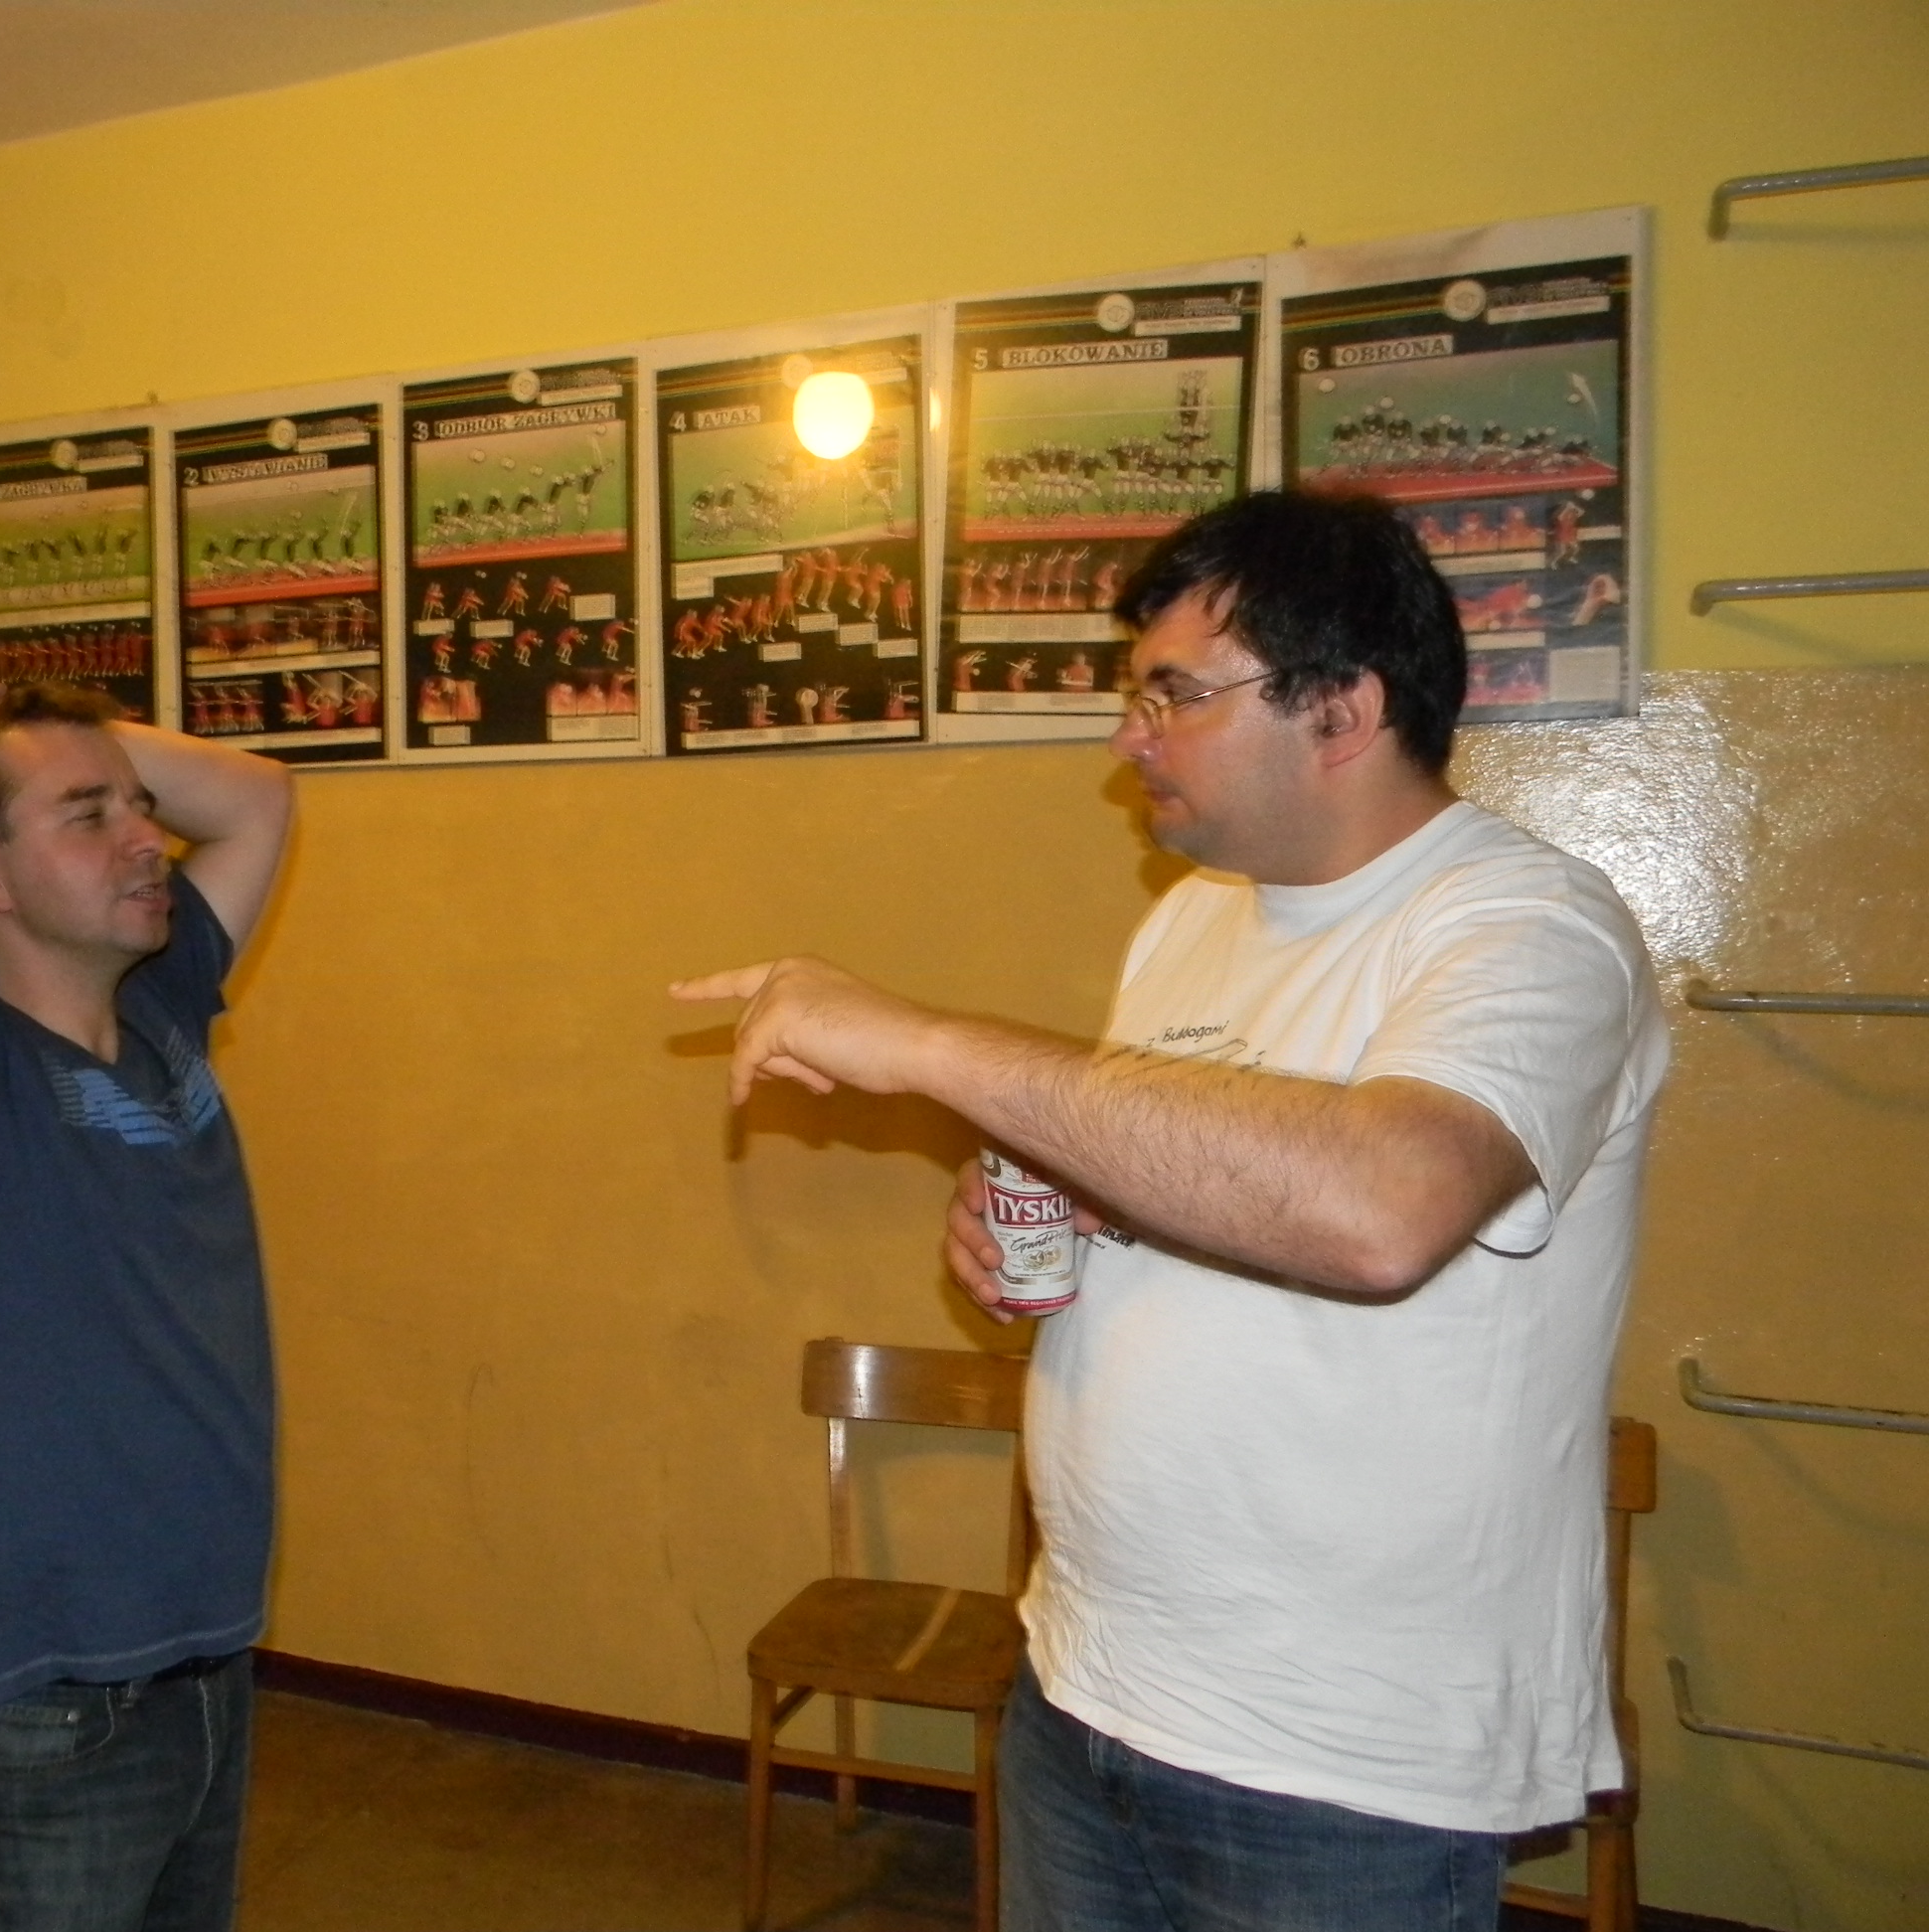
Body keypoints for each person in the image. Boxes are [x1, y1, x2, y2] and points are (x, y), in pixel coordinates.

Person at [674, 489, 1668, 1932]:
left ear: (1341, 710)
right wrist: (1048, 1206)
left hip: (1341, 1764)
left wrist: (929, 1044)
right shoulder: (1197, 913)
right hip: (1084, 1686)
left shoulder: (1532, 928)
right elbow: (1176, 1156)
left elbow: (1381, 1209)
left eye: (1174, 695)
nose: (1129, 738)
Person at [0, 677, 295, 1932]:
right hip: (23, 1711)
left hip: (200, 1669)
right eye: (89, 817)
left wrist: (61, 747)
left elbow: (257, 796)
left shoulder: (163, 1006)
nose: (147, 839)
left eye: (141, 809)